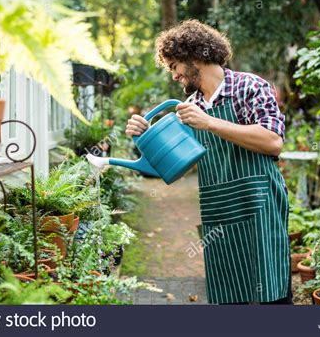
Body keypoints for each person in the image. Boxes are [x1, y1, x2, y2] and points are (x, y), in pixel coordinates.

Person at [125, 20, 291, 304]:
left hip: (259, 203)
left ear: (196, 56)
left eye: (175, 65)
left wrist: (210, 123)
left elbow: (272, 141)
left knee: (272, 293)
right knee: (229, 294)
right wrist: (145, 138)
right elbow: (173, 169)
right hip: (220, 211)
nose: (175, 75)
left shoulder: (249, 87)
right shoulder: (191, 108)